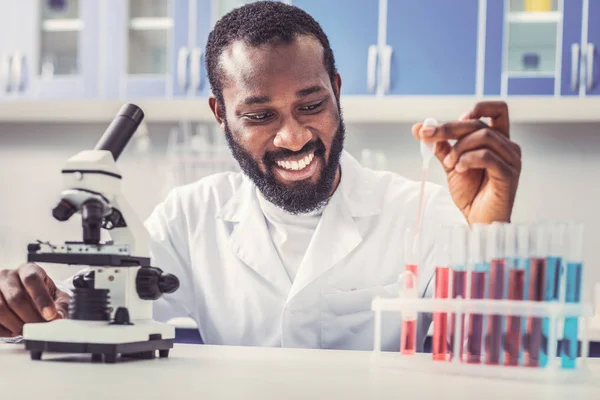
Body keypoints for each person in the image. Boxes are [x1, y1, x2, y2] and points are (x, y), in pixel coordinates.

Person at [0, 1, 521, 351]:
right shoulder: (191, 216)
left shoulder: (422, 210)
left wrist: (489, 231)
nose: (293, 137)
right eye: (259, 115)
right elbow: (77, 308)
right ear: (220, 114)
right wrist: (24, 301)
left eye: (312, 104)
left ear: (337, 90)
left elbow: (490, 361)